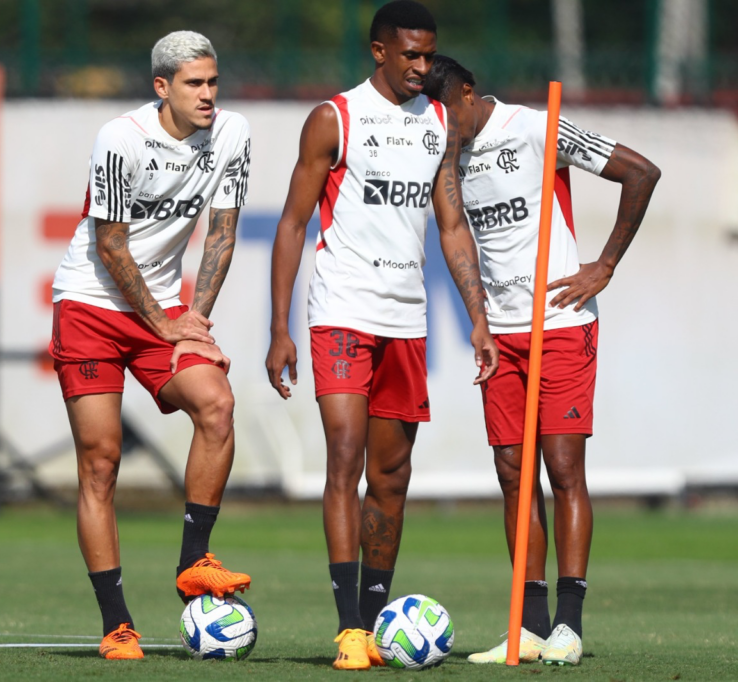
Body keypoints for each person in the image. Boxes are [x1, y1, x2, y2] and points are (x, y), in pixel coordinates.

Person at [264, 1, 498, 671]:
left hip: (406, 320)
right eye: (411, 55)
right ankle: (347, 628)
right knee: (344, 455)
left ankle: (373, 621)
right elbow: (292, 223)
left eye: (429, 55)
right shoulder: (334, 118)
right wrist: (279, 328)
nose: (423, 66)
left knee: (391, 476)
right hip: (341, 311)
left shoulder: (439, 123)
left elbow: (451, 224)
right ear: (379, 52)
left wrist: (478, 318)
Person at [422, 55, 660, 666]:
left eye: (446, 112)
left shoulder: (533, 127)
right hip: (502, 333)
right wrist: (478, 318)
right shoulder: (443, 155)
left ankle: (568, 627)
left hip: (560, 324)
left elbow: (641, 172)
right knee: (512, 471)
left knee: (562, 467)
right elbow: (456, 234)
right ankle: (528, 625)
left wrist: (604, 265)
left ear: (468, 91)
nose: (441, 127)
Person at [49, 31, 252, 660]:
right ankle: (117, 625)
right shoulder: (121, 137)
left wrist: (195, 321)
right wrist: (164, 325)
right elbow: (110, 245)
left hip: (161, 311)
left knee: (216, 404)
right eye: (194, 84)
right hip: (89, 305)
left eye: (213, 81)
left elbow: (221, 233)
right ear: (162, 87)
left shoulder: (233, 133)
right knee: (101, 462)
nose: (208, 94)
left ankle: (194, 562)